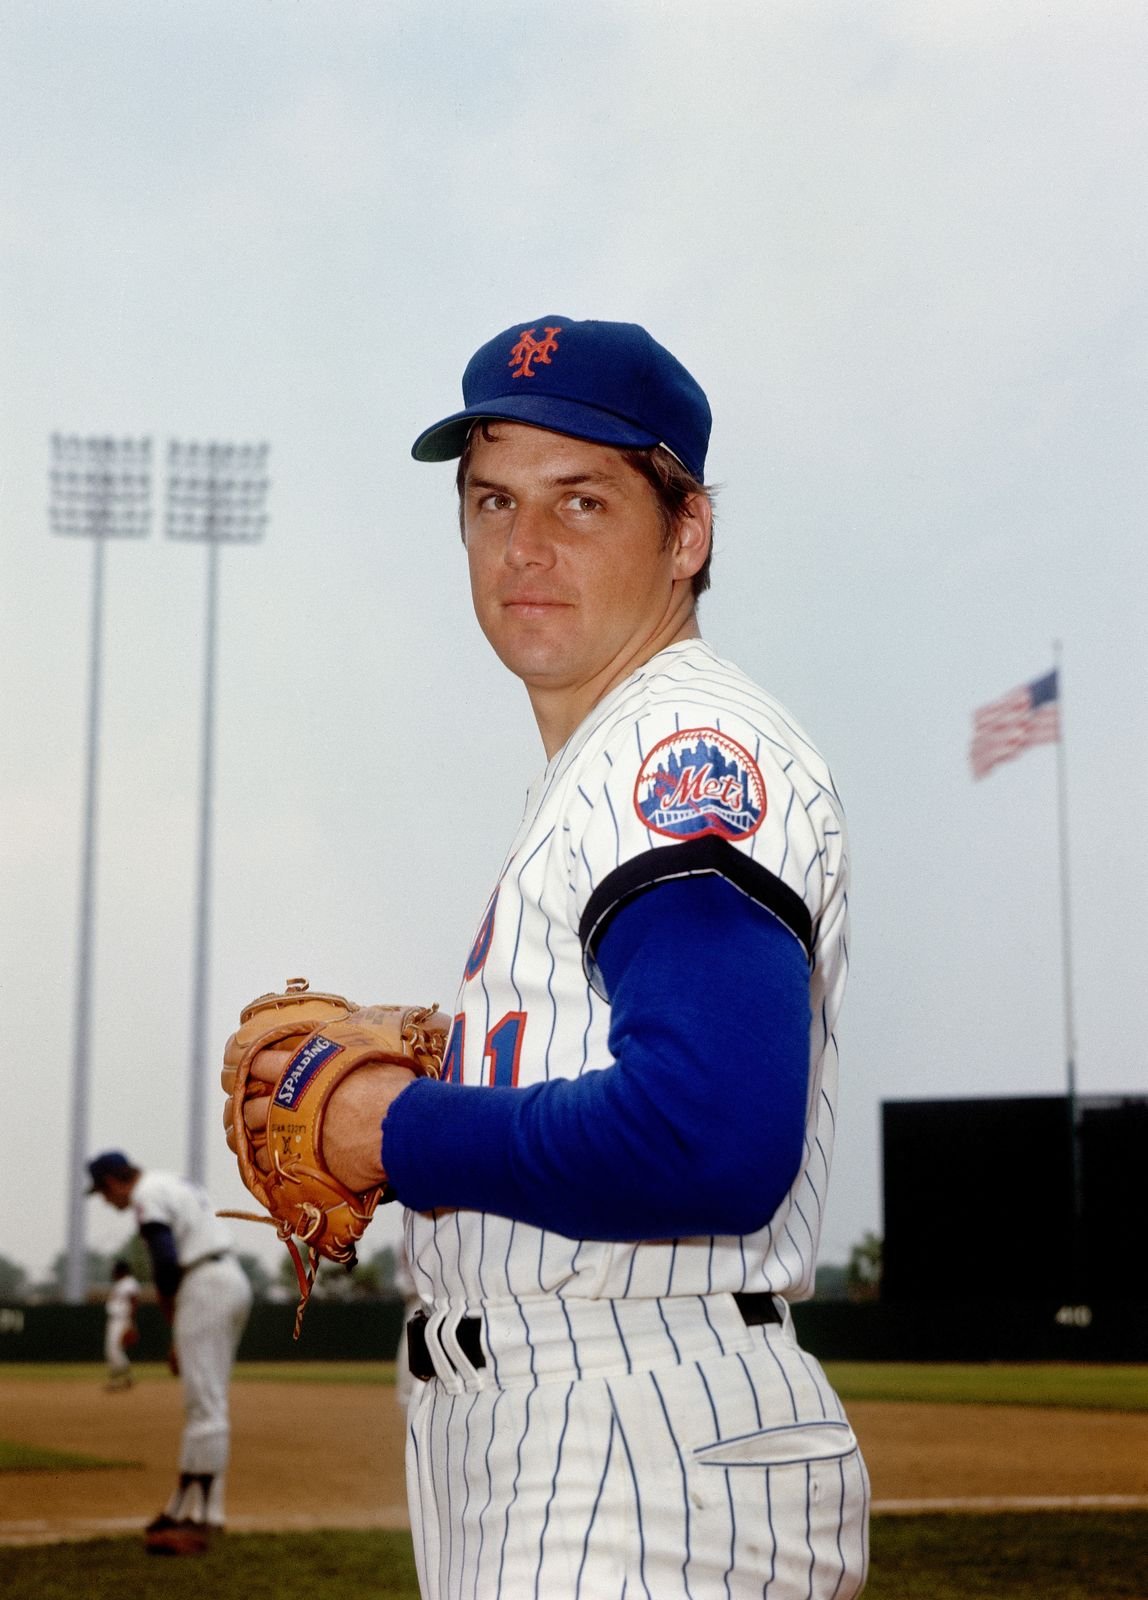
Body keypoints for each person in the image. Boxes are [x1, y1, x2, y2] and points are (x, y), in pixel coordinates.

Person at [241, 316, 869, 1597]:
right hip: (574, 1427)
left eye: (580, 500)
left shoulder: (680, 742)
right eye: (489, 501)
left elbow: (711, 1132)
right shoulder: (596, 771)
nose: (521, 546)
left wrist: (388, 1128)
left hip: (637, 1436)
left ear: (684, 533)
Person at [87, 1150, 253, 1556]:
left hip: (206, 1283)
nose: (107, 1202)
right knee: (208, 1400)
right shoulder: (170, 1182)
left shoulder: (147, 1195)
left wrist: (171, 1318)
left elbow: (164, 1260)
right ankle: (187, 1507)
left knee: (205, 1404)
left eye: (103, 1193)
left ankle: (203, 1519)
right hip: (226, 1279)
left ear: (112, 1181)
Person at [103, 1257, 139, 1392]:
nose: (113, 1272)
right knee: (110, 1349)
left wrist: (131, 1323)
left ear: (121, 1270)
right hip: (114, 1319)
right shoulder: (119, 1284)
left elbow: (134, 1302)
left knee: (114, 1348)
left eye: (115, 1270)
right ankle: (120, 1379)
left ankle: (125, 1376)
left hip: (122, 1319)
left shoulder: (130, 1283)